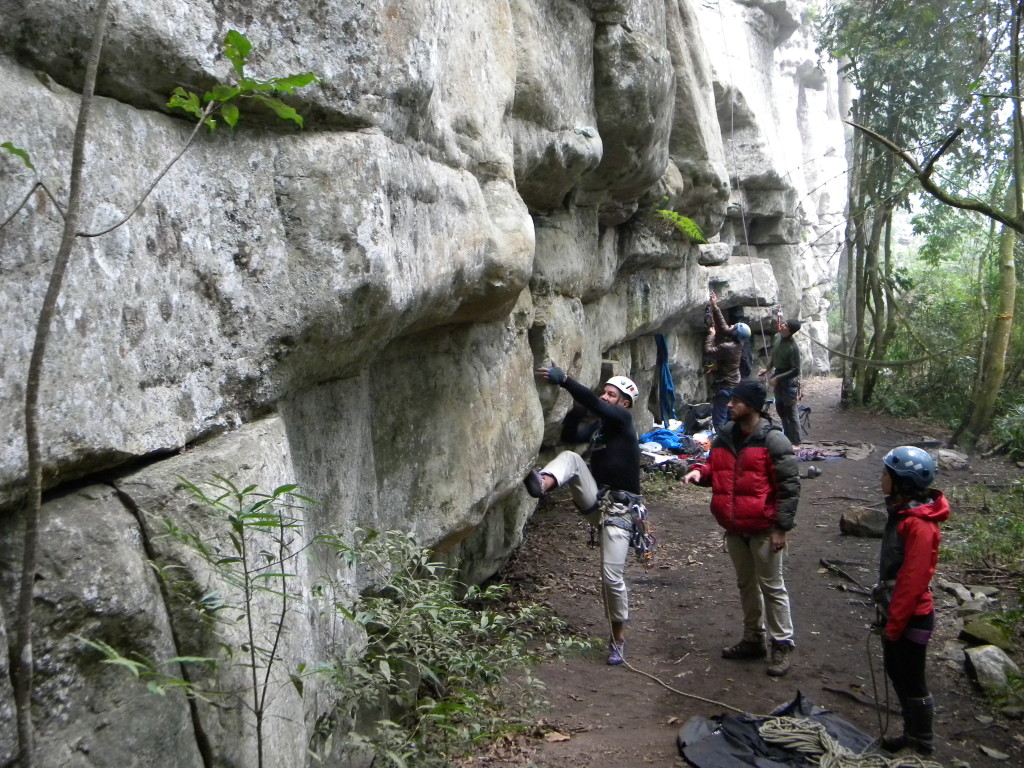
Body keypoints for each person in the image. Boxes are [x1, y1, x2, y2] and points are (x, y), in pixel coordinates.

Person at [523, 366, 643, 667]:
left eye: (611, 394)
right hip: (596, 503)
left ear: (624, 403)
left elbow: (595, 404)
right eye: (604, 392)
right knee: (573, 458)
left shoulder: (624, 420)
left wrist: (566, 381)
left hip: (620, 512)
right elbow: (570, 435)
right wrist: (576, 411)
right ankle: (543, 484)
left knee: (611, 577)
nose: (605, 397)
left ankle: (618, 638)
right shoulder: (602, 428)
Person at [682, 380, 800, 676]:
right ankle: (753, 639)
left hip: (763, 527)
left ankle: (782, 645)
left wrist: (780, 529)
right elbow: (715, 468)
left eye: (736, 401)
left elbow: (789, 488)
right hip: (735, 528)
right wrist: (699, 472)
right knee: (746, 585)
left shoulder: (773, 441)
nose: (730, 405)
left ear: (752, 406)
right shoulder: (723, 437)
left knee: (772, 587)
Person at [872, 446, 949, 756]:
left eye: (885, 475)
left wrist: (895, 623)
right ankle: (911, 732)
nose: (881, 479)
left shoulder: (918, 524)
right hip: (898, 610)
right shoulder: (905, 513)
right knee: (897, 671)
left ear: (901, 482)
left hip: (911, 615)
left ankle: (922, 740)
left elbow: (913, 581)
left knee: (911, 678)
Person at [703, 291, 752, 431]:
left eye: (733, 326)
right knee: (730, 416)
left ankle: (721, 441)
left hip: (725, 386)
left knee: (719, 417)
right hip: (733, 384)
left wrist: (711, 335)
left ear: (735, 333)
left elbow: (708, 352)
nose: (731, 326)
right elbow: (725, 329)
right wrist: (715, 306)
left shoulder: (728, 347)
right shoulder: (737, 343)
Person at [761, 314, 802, 446]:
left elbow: (796, 370)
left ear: (790, 331)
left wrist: (778, 378)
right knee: (781, 410)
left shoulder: (793, 348)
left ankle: (796, 442)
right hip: (778, 378)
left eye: (785, 326)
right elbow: (774, 356)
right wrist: (767, 369)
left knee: (791, 413)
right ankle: (787, 439)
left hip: (788, 382)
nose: (782, 326)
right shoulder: (779, 338)